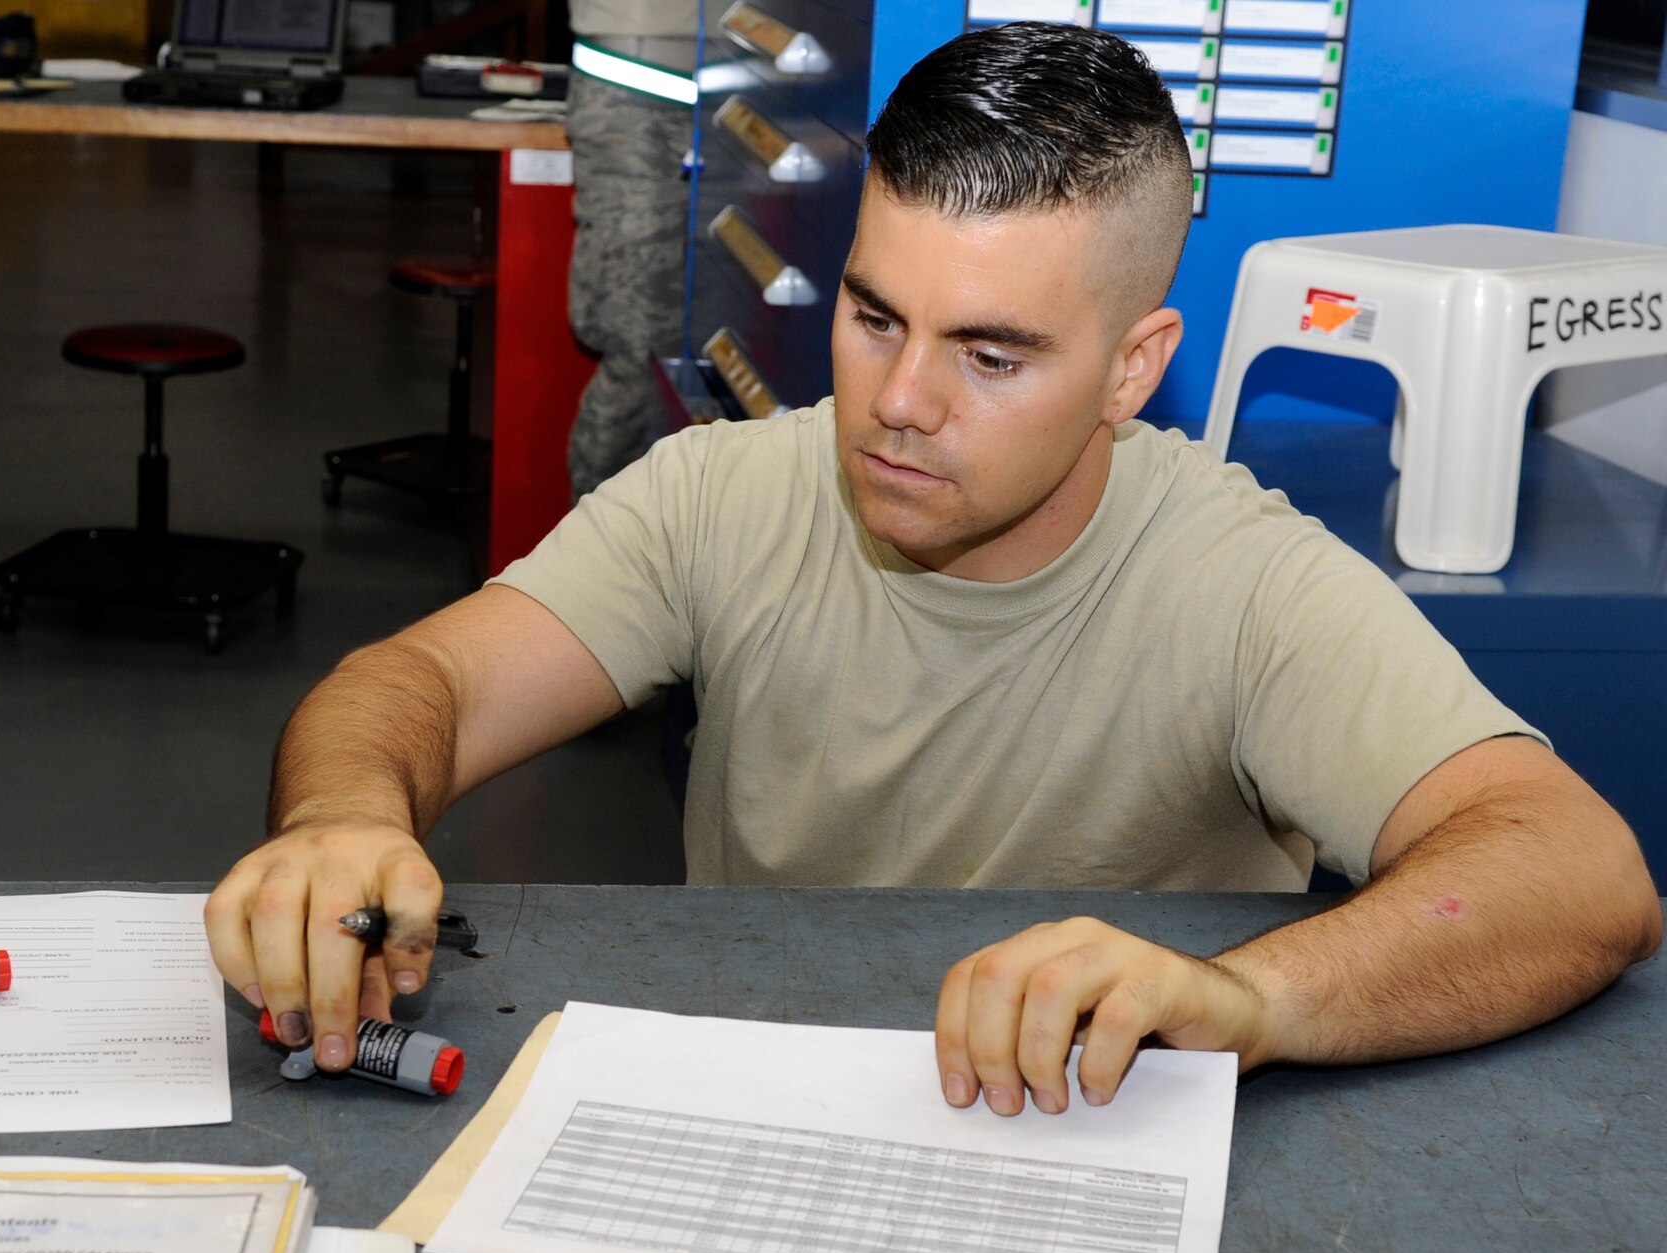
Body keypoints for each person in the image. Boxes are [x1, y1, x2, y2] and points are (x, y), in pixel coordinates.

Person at [207, 24, 1661, 1118]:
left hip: (1088, 1151)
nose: (899, 402)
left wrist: (1247, 998)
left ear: (1131, 369)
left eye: (992, 355)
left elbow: (1577, 872)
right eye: (873, 317)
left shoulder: (1246, 582)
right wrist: (342, 817)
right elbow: (422, 680)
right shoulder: (725, 493)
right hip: (760, 1115)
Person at [564, 0, 696, 499]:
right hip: (638, 92)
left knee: (729, 345)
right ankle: (600, 540)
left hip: (752, 83)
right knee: (637, 341)